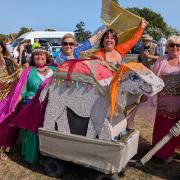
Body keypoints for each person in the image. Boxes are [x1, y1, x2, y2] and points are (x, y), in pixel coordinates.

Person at [0, 48, 55, 164]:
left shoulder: (55, 70)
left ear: (47, 57)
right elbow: (21, 91)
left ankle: (49, 154)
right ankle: (32, 155)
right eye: (36, 55)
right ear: (32, 58)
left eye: (42, 54)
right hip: (30, 106)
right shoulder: (28, 72)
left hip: (51, 106)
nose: (39, 56)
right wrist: (13, 105)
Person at [152, 35, 180, 162]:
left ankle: (170, 152)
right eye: (172, 45)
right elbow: (152, 78)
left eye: (177, 45)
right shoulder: (161, 60)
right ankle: (159, 152)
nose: (175, 47)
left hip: (177, 101)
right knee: (161, 125)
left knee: (174, 128)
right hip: (162, 100)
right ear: (167, 47)